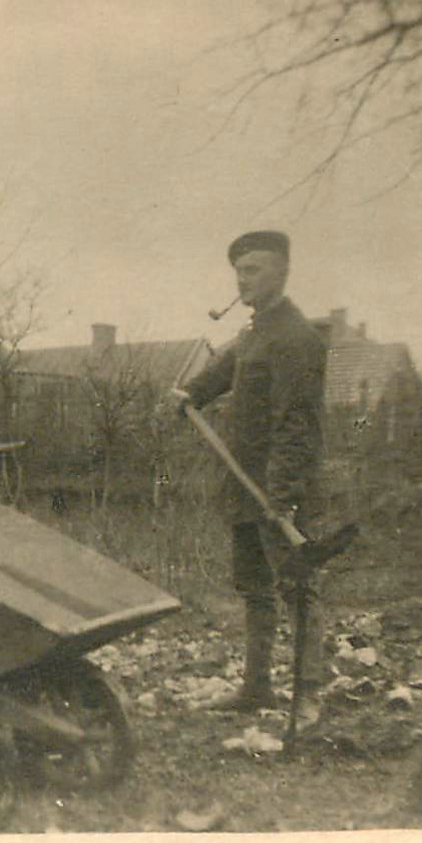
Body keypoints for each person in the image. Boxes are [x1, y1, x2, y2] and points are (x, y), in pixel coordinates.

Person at [165, 230, 329, 727]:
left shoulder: (295, 337)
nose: (242, 278)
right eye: (239, 271)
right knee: (254, 586)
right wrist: (189, 393)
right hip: (244, 485)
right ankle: (257, 688)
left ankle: (309, 694)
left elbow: (295, 425)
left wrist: (282, 496)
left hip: (278, 488)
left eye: (253, 269)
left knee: (297, 588)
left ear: (281, 272)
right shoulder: (256, 332)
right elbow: (228, 367)